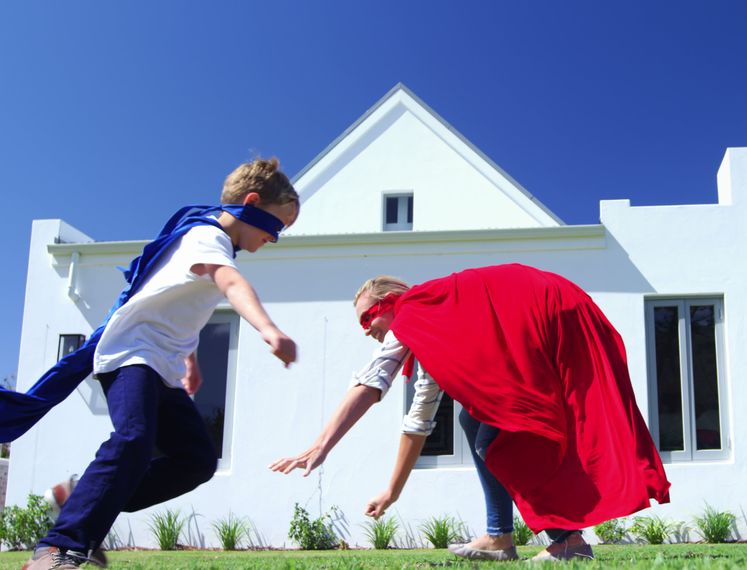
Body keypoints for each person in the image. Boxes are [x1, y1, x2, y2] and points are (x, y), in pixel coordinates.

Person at [8, 158, 300, 570]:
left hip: (159, 365)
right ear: (250, 203)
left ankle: (80, 497)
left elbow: (173, 301)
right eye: (276, 227)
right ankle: (58, 547)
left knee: (196, 460)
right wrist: (268, 328)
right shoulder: (206, 236)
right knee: (134, 438)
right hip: (130, 354)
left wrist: (190, 358)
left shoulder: (204, 244)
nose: (275, 238)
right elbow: (231, 283)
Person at [271, 263, 670, 561]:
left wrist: (320, 446)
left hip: (554, 312)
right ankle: (535, 538)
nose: (366, 330)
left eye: (368, 318)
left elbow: (374, 382)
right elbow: (419, 418)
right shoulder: (435, 325)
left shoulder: (415, 315)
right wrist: (392, 491)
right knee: (476, 419)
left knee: (500, 434)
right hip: (556, 309)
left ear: (389, 305)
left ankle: (552, 540)